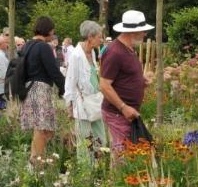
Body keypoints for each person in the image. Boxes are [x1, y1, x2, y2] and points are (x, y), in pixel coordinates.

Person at [100, 10, 154, 152]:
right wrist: (123, 107)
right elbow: (104, 85)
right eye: (143, 31)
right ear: (132, 32)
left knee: (129, 154)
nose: (145, 34)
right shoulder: (115, 52)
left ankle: (121, 174)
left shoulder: (129, 49)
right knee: (122, 156)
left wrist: (142, 81)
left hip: (128, 113)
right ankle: (118, 175)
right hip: (118, 113)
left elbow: (124, 75)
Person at [18, 16, 66, 162]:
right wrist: (64, 88)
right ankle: (37, 161)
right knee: (42, 128)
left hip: (29, 88)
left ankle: (34, 159)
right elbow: (53, 70)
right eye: (52, 30)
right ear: (48, 30)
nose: (53, 34)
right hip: (40, 90)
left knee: (42, 129)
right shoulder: (43, 46)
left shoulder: (27, 45)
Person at [64, 21, 107, 163]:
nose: (101, 40)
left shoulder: (93, 52)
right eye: (99, 37)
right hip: (82, 104)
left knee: (101, 138)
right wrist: (69, 107)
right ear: (90, 37)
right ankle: (86, 173)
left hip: (95, 102)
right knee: (85, 140)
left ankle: (99, 166)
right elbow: (70, 82)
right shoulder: (76, 55)